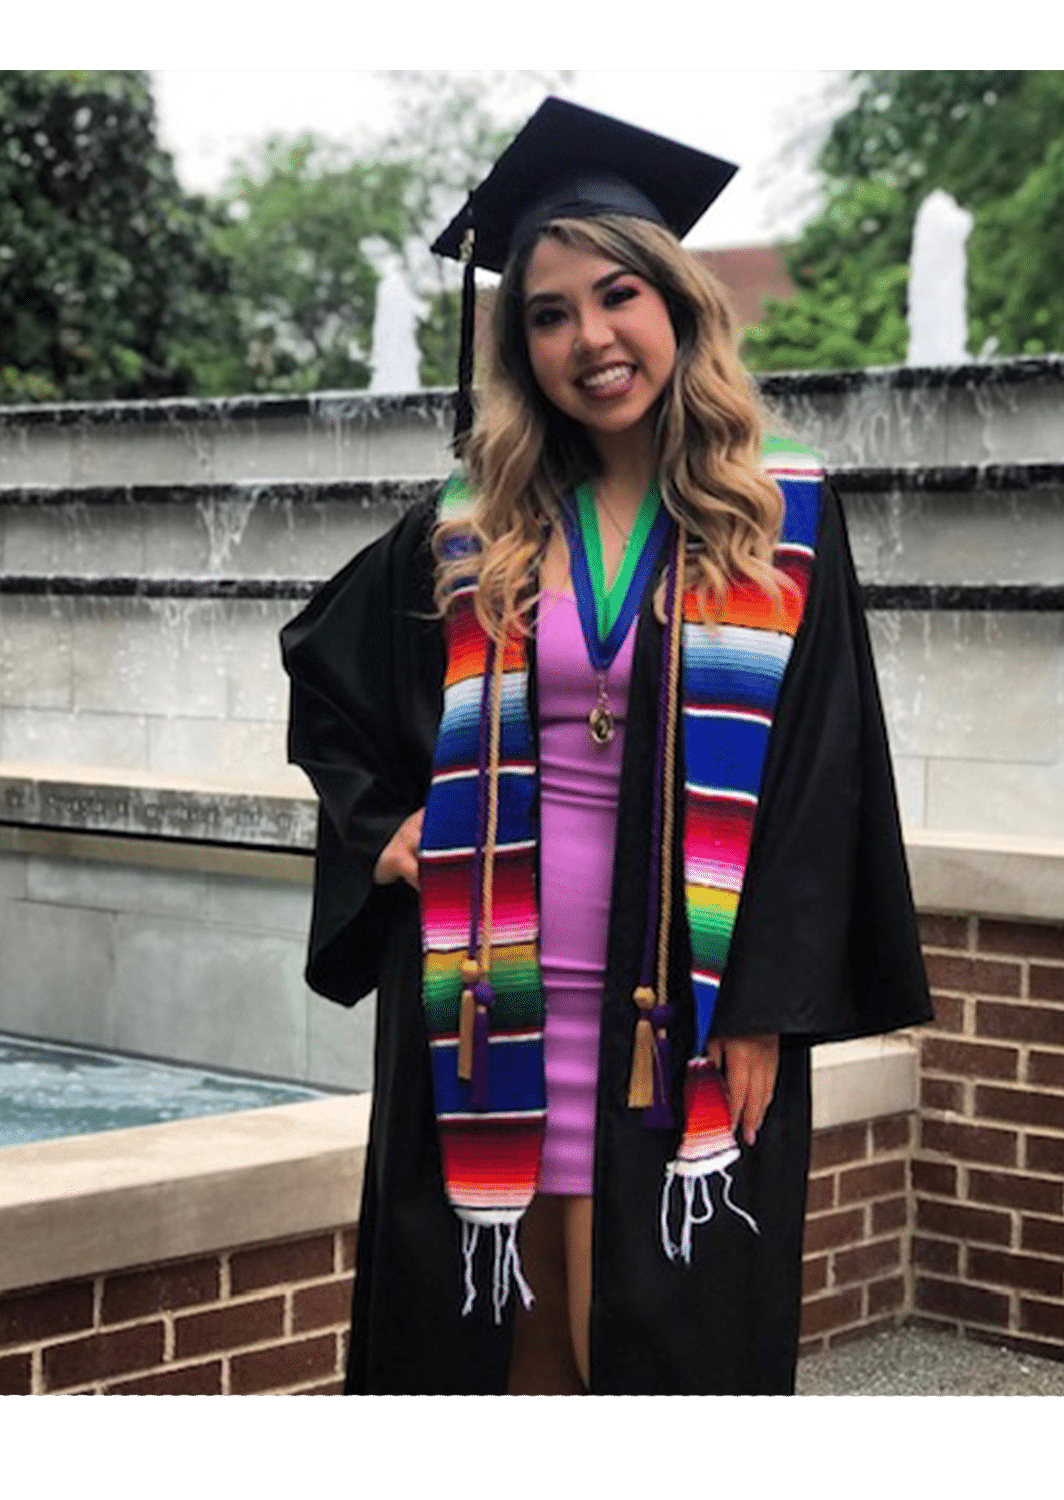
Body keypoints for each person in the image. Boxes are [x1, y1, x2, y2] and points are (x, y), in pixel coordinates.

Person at [279, 98, 931, 1396]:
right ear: (520, 344)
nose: (590, 337)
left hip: (676, 1011)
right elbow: (325, 672)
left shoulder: (784, 511)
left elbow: (821, 778)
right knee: (497, 1355)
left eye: (616, 294)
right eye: (548, 312)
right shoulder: (470, 520)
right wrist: (385, 832)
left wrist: (766, 1011)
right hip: (488, 1002)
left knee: (652, 1350)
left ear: (679, 303)